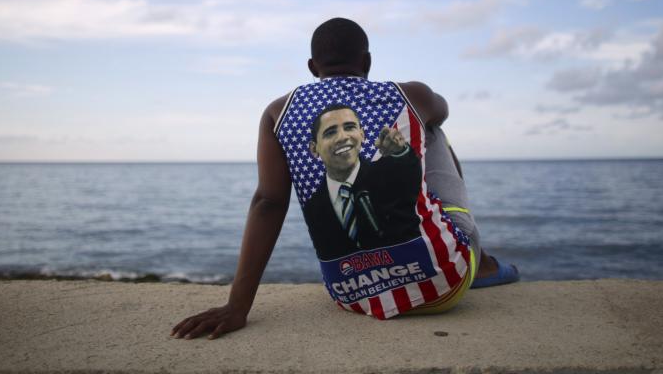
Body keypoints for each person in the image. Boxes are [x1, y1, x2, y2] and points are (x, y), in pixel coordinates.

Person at [171, 18, 517, 339]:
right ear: (367, 62)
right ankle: (481, 263)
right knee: (432, 129)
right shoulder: (410, 94)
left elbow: (268, 202)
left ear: (312, 67)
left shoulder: (278, 112)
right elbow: (441, 110)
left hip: (353, 295)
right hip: (447, 284)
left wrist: (237, 307)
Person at [303, 104, 422, 260]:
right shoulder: (313, 207)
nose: (343, 137)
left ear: (362, 135)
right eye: (330, 132)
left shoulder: (389, 172)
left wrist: (400, 151)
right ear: (314, 149)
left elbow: (407, 171)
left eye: (350, 127)